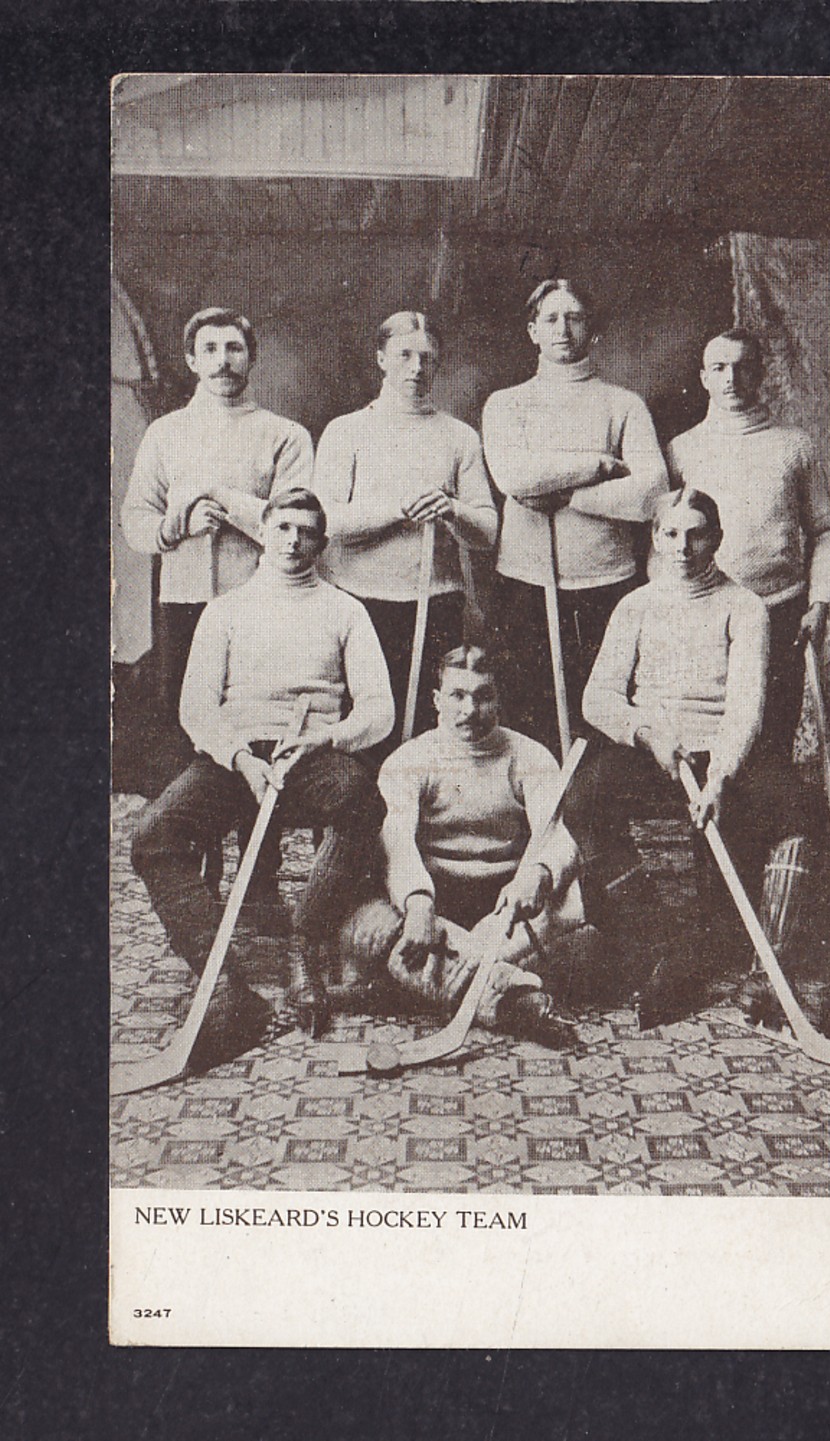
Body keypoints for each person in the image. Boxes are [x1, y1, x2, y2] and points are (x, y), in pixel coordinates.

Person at [131, 489, 394, 1066]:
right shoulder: (226, 610)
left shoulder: (345, 610)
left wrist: (326, 737)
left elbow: (380, 709)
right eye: (283, 529)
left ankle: (306, 935)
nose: (294, 541)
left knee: (361, 797)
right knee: (153, 833)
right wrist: (240, 759)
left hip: (312, 755)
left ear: (321, 544)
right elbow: (196, 709)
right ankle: (225, 984)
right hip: (234, 758)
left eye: (307, 532)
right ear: (263, 533)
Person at [565, 486, 775, 1025]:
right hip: (653, 750)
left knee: (776, 811)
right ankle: (653, 933)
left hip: (718, 752)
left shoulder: (745, 607)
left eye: (697, 533)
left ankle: (715, 948)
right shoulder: (635, 604)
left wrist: (722, 772)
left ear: (718, 538)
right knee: (581, 803)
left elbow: (746, 706)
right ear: (655, 539)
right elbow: (598, 697)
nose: (683, 547)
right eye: (671, 534)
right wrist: (644, 731)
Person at [333, 646, 583, 1045]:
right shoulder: (409, 759)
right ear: (436, 700)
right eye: (458, 696)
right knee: (365, 921)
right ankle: (515, 999)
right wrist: (418, 903)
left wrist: (538, 875)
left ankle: (438, 981)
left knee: (569, 904)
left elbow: (557, 837)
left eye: (483, 696)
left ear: (498, 698)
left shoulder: (530, 756)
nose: (470, 709)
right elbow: (395, 840)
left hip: (506, 905)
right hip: (435, 900)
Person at [482, 279, 667, 755]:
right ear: (532, 331)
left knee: (605, 708)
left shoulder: (624, 405)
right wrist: (597, 465)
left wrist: (567, 498)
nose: (563, 328)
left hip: (607, 581)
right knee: (529, 710)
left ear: (592, 329)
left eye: (575, 317)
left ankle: (593, 820)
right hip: (525, 580)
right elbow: (513, 477)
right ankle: (540, 812)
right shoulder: (506, 403)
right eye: (550, 318)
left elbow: (651, 494)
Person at [312, 311, 497, 752]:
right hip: (360, 601)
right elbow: (326, 522)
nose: (416, 368)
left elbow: (487, 530)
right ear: (381, 359)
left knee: (429, 722)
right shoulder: (346, 431)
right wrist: (399, 509)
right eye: (405, 355)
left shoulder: (459, 436)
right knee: (367, 719)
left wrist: (452, 509)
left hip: (436, 602)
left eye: (427, 358)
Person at [122, 307, 314, 731]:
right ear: (192, 360)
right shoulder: (165, 433)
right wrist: (178, 527)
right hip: (183, 601)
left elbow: (300, 525)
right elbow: (136, 519)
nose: (223, 360)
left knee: (256, 715)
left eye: (234, 348)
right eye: (209, 349)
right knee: (185, 719)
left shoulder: (286, 435)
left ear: (251, 357)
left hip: (261, 600)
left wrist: (227, 502)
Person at [662, 328, 830, 762]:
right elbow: (662, 541)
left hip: (779, 607)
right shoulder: (682, 450)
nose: (731, 378)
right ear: (704, 377)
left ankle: (770, 829)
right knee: (713, 728)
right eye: (720, 368)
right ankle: (715, 823)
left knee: (773, 728)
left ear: (760, 373)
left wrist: (818, 603)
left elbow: (827, 532)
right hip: (707, 610)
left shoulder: (795, 445)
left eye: (743, 367)